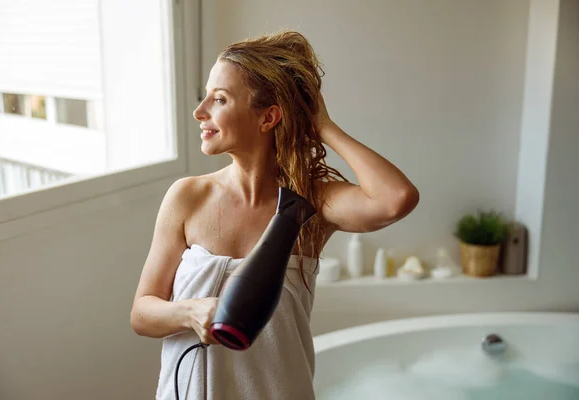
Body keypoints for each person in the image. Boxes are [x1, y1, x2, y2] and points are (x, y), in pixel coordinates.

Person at [130, 30, 419, 399]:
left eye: (219, 99)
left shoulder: (308, 203)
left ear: (268, 118)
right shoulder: (187, 197)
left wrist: (323, 125)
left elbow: (396, 198)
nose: (199, 111)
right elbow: (142, 313)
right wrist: (190, 313)